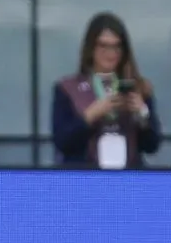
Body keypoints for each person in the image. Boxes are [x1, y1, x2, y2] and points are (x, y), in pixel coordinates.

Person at [52, 11, 161, 169]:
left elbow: (152, 146)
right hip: (84, 181)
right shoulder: (67, 89)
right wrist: (91, 115)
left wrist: (142, 115)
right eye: (104, 46)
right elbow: (62, 142)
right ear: (91, 48)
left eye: (116, 47)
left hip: (129, 182)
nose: (111, 54)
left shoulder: (139, 88)